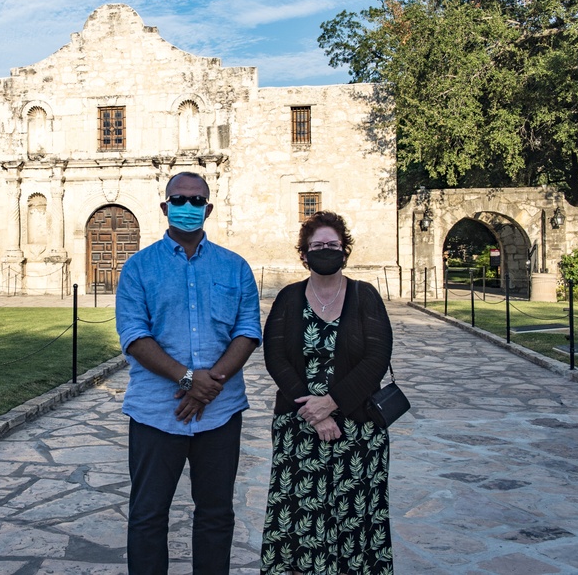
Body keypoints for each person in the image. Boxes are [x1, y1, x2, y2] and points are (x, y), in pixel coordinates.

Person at [116, 171, 262, 574]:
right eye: (178, 200)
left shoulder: (235, 267)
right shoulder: (139, 268)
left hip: (220, 412)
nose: (187, 207)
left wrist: (207, 386)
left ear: (208, 208)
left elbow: (248, 330)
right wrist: (186, 378)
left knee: (216, 514)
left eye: (196, 201)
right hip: (156, 412)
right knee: (147, 515)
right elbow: (134, 334)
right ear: (165, 208)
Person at [260, 211, 394, 575]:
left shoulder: (365, 296)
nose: (325, 251)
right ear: (303, 254)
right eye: (317, 246)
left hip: (358, 430)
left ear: (345, 251)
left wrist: (331, 405)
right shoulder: (288, 299)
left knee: (355, 519)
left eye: (332, 246)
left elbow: (377, 357)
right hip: (299, 429)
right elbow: (274, 356)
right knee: (299, 516)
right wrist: (313, 411)